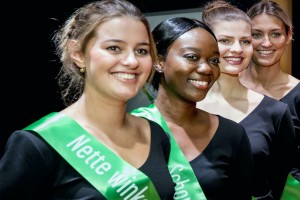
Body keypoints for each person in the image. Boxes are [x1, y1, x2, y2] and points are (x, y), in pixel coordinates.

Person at [0, 0, 176, 199]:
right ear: (78, 53)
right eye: (114, 48)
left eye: (141, 51)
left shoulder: (155, 134)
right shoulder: (38, 144)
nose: (132, 61)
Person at [132, 17, 253, 200]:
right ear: (159, 61)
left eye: (213, 60)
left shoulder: (232, 134)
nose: (206, 68)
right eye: (192, 57)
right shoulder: (128, 130)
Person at [196, 1, 298, 199]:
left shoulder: (275, 111)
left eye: (245, 41)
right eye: (225, 40)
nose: (237, 49)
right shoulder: (186, 105)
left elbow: (283, 181)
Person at [239, 1, 300, 199]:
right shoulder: (223, 91)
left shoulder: (298, 95)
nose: (266, 43)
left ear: (289, 36)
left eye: (275, 34)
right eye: (256, 35)